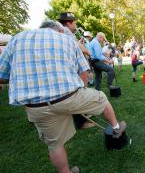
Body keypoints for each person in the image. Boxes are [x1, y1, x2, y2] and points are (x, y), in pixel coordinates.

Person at [0, 20, 127, 173]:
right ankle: (116, 126)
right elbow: (84, 71)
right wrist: (82, 93)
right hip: (68, 97)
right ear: (60, 31)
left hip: (35, 107)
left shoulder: (16, 39)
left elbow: (2, 75)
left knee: (55, 145)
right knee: (101, 97)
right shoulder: (67, 39)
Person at [58, 12, 93, 129]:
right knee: (77, 91)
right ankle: (81, 122)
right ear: (68, 23)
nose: (76, 25)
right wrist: (87, 52)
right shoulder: (65, 33)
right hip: (72, 70)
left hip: (67, 69)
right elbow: (77, 48)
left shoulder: (62, 32)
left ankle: (83, 115)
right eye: (74, 22)